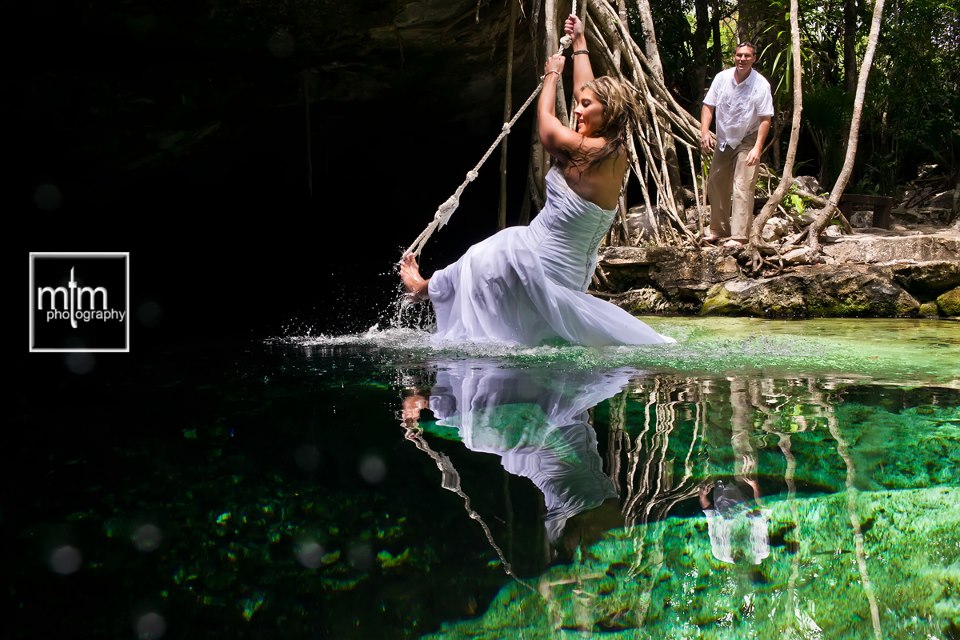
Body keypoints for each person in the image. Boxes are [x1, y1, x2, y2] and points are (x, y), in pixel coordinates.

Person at [399, 15, 675, 347]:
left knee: (477, 260)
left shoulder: (584, 150)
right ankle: (429, 290)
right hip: (571, 273)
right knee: (486, 264)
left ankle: (421, 288)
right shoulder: (614, 151)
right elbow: (584, 92)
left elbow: (546, 127)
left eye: (585, 106)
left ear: (608, 112)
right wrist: (581, 45)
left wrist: (552, 74)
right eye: (578, 104)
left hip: (537, 259)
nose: (577, 110)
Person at [699, 42, 774, 247]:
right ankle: (718, 229)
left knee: (742, 184)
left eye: (747, 56)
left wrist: (757, 148)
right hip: (724, 138)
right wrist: (705, 132)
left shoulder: (760, 84)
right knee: (716, 182)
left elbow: (765, 118)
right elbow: (708, 105)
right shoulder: (721, 78)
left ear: (754, 58)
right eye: (739, 55)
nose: (742, 59)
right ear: (734, 57)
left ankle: (740, 236)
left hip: (748, 138)